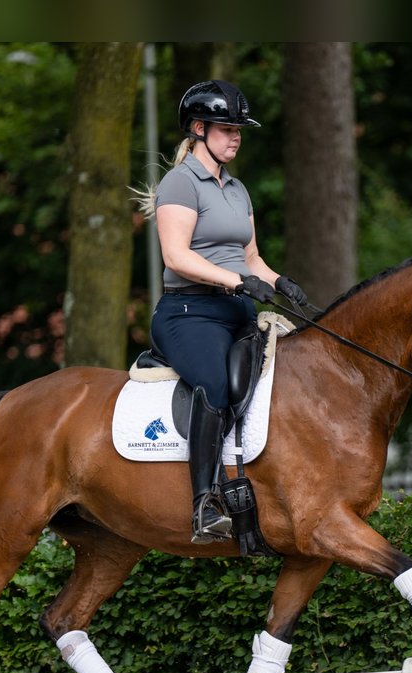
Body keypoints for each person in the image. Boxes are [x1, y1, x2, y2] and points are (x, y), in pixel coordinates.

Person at [142, 80, 309, 544]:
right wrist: (238, 281)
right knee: (215, 384)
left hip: (238, 309)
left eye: (239, 129)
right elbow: (176, 256)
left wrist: (280, 283)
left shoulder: (237, 189)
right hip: (190, 313)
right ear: (199, 129)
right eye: (226, 128)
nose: (235, 137)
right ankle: (205, 504)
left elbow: (251, 258)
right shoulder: (180, 183)